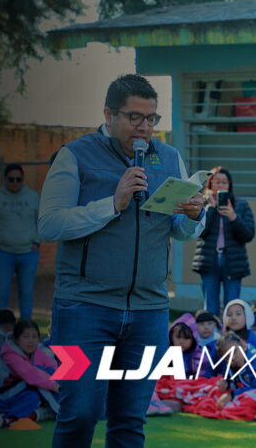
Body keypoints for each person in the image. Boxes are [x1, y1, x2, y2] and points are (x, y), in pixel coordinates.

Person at [37, 74, 205, 448]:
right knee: (79, 415)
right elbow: (48, 224)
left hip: (148, 312)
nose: (145, 128)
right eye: (134, 118)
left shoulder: (170, 157)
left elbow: (179, 230)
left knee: (130, 422)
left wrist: (194, 215)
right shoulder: (74, 155)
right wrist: (112, 205)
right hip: (82, 309)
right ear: (108, 114)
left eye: (152, 119)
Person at [0, 163, 41, 320]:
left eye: (18, 179)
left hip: (28, 253)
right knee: (1, 294)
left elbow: (42, 220)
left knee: (26, 294)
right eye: (11, 179)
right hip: (3, 253)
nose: (15, 183)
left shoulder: (33, 197)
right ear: (5, 179)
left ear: (23, 179)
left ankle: (27, 331)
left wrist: (37, 241)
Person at [191, 167, 255, 317]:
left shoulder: (241, 205)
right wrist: (211, 207)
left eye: (224, 182)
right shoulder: (203, 205)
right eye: (217, 182)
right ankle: (211, 337)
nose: (220, 186)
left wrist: (233, 217)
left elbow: (248, 235)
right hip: (209, 260)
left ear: (229, 185)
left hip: (232, 261)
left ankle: (230, 337)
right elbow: (199, 232)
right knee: (210, 307)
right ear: (210, 185)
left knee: (232, 306)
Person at [0, 319, 59, 423]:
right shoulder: (9, 355)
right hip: (4, 395)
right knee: (39, 377)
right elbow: (30, 374)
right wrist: (55, 386)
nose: (30, 340)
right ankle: (63, 411)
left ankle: (11, 418)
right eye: (26, 337)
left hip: (26, 392)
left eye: (34, 337)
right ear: (16, 339)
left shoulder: (37, 351)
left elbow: (51, 365)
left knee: (34, 395)